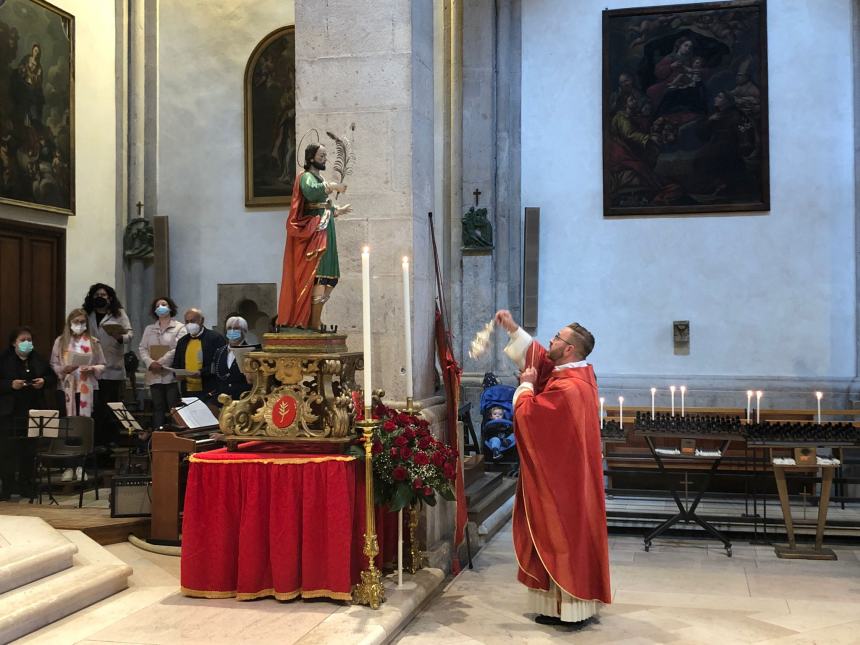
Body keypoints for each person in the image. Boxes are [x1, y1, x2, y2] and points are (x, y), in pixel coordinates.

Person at [495, 309, 611, 626]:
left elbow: (530, 417)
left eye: (557, 338)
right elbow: (542, 362)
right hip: (569, 477)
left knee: (560, 537)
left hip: (565, 484)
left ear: (570, 348)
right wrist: (514, 330)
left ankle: (570, 609)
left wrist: (526, 387)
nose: (551, 339)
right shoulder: (574, 374)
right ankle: (556, 606)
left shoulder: (570, 388)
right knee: (556, 537)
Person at [276, 143, 352, 331]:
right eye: (321, 156)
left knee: (330, 277)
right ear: (311, 158)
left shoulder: (318, 178)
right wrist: (332, 186)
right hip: (315, 232)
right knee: (319, 275)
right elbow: (311, 192)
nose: (325, 159)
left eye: (326, 155)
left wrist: (337, 210)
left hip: (327, 228)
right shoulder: (305, 177)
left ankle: (315, 318)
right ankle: (314, 321)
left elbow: (323, 203)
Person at [0, 326, 55, 499]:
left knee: (29, 451)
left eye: (29, 340)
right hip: (10, 412)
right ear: (13, 343)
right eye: (22, 340)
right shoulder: (4, 360)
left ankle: (26, 486)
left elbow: (52, 378)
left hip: (32, 410)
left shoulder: (37, 359)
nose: (27, 343)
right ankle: (7, 487)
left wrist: (43, 381)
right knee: (7, 452)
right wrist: (11, 385)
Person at [83, 283, 133, 446]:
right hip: (92, 368)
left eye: (103, 295)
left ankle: (111, 444)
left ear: (110, 298)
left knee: (110, 408)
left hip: (112, 368)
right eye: (97, 294)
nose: (100, 297)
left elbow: (130, 334)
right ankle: (96, 444)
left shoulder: (118, 314)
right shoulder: (86, 314)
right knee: (96, 409)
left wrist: (120, 337)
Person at [138, 297, 186, 430]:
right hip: (154, 372)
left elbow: (178, 348)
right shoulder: (149, 329)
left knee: (173, 406)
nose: (161, 307)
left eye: (163, 304)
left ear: (170, 307)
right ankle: (158, 436)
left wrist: (161, 362)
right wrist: (150, 362)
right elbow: (142, 348)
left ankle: (176, 436)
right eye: (157, 305)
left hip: (169, 372)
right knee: (157, 406)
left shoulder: (179, 327)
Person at [50, 309, 106, 418]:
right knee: (67, 421)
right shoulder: (60, 341)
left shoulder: (93, 342)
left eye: (82, 322)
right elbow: (53, 364)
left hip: (88, 386)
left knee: (87, 421)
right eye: (76, 322)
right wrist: (64, 369)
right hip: (67, 386)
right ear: (70, 322)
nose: (79, 325)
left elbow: (102, 364)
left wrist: (93, 369)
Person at [173, 308, 225, 400]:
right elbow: (176, 364)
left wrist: (201, 372)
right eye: (187, 322)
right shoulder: (182, 341)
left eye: (192, 321)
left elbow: (220, 364)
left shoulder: (215, 338)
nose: (189, 325)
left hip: (209, 389)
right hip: (187, 390)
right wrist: (177, 374)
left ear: (202, 320)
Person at [211, 316, 257, 404]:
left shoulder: (251, 351)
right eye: (229, 328)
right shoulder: (219, 352)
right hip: (222, 401)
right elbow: (216, 377)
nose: (232, 331)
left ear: (244, 331)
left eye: (236, 328)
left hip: (242, 401)